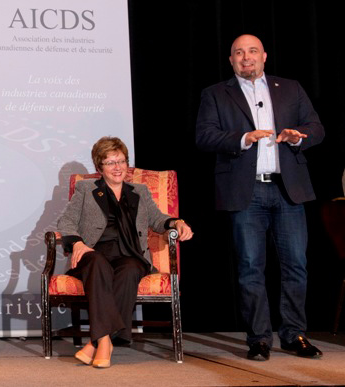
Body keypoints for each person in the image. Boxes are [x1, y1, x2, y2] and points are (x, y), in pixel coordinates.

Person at [196, 34, 325, 361]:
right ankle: (259, 339)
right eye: (239, 53)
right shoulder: (216, 94)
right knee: (251, 267)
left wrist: (298, 137)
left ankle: (294, 333)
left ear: (264, 56)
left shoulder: (290, 88)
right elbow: (205, 136)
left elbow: (316, 127)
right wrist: (243, 138)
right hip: (246, 192)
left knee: (296, 265)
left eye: (252, 51)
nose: (246, 57)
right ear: (231, 60)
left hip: (287, 190)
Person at [56, 137, 193, 368]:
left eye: (121, 161)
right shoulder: (86, 189)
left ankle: (98, 341)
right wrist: (78, 243)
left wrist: (176, 222)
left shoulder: (139, 191)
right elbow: (66, 221)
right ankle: (106, 342)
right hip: (94, 252)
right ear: (99, 167)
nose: (117, 167)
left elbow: (157, 219)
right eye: (110, 162)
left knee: (130, 270)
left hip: (130, 254)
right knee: (97, 263)